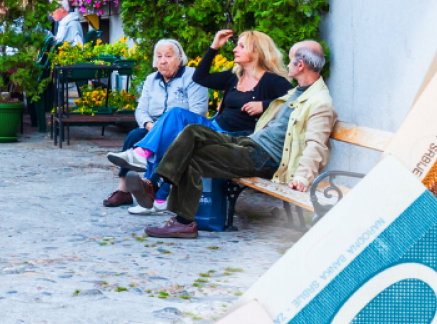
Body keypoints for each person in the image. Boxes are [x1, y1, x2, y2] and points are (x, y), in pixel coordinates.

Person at [139, 41, 333, 238]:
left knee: (192, 156)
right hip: (251, 143)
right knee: (192, 131)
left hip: (265, 157)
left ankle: (178, 216)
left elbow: (316, 144)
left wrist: (302, 178)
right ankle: (158, 188)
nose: (288, 65)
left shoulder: (319, 102)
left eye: (291, 61)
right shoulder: (297, 92)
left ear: (300, 65)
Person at [109, 28, 293, 214]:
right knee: (176, 115)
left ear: (257, 51)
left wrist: (266, 105)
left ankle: (155, 190)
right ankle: (146, 164)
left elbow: (295, 103)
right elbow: (200, 77)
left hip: (237, 139)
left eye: (241, 46)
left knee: (175, 137)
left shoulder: (273, 81)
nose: (235, 49)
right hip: (214, 128)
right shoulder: (233, 76)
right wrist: (214, 46)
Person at [103, 40, 209, 207]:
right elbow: (141, 110)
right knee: (134, 136)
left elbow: (198, 113)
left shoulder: (192, 77)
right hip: (152, 128)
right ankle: (124, 190)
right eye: (159, 56)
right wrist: (149, 125)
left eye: (168, 56)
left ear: (180, 58)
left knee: (164, 139)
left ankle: (150, 189)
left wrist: (163, 129)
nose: (163, 61)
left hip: (182, 130)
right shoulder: (151, 80)